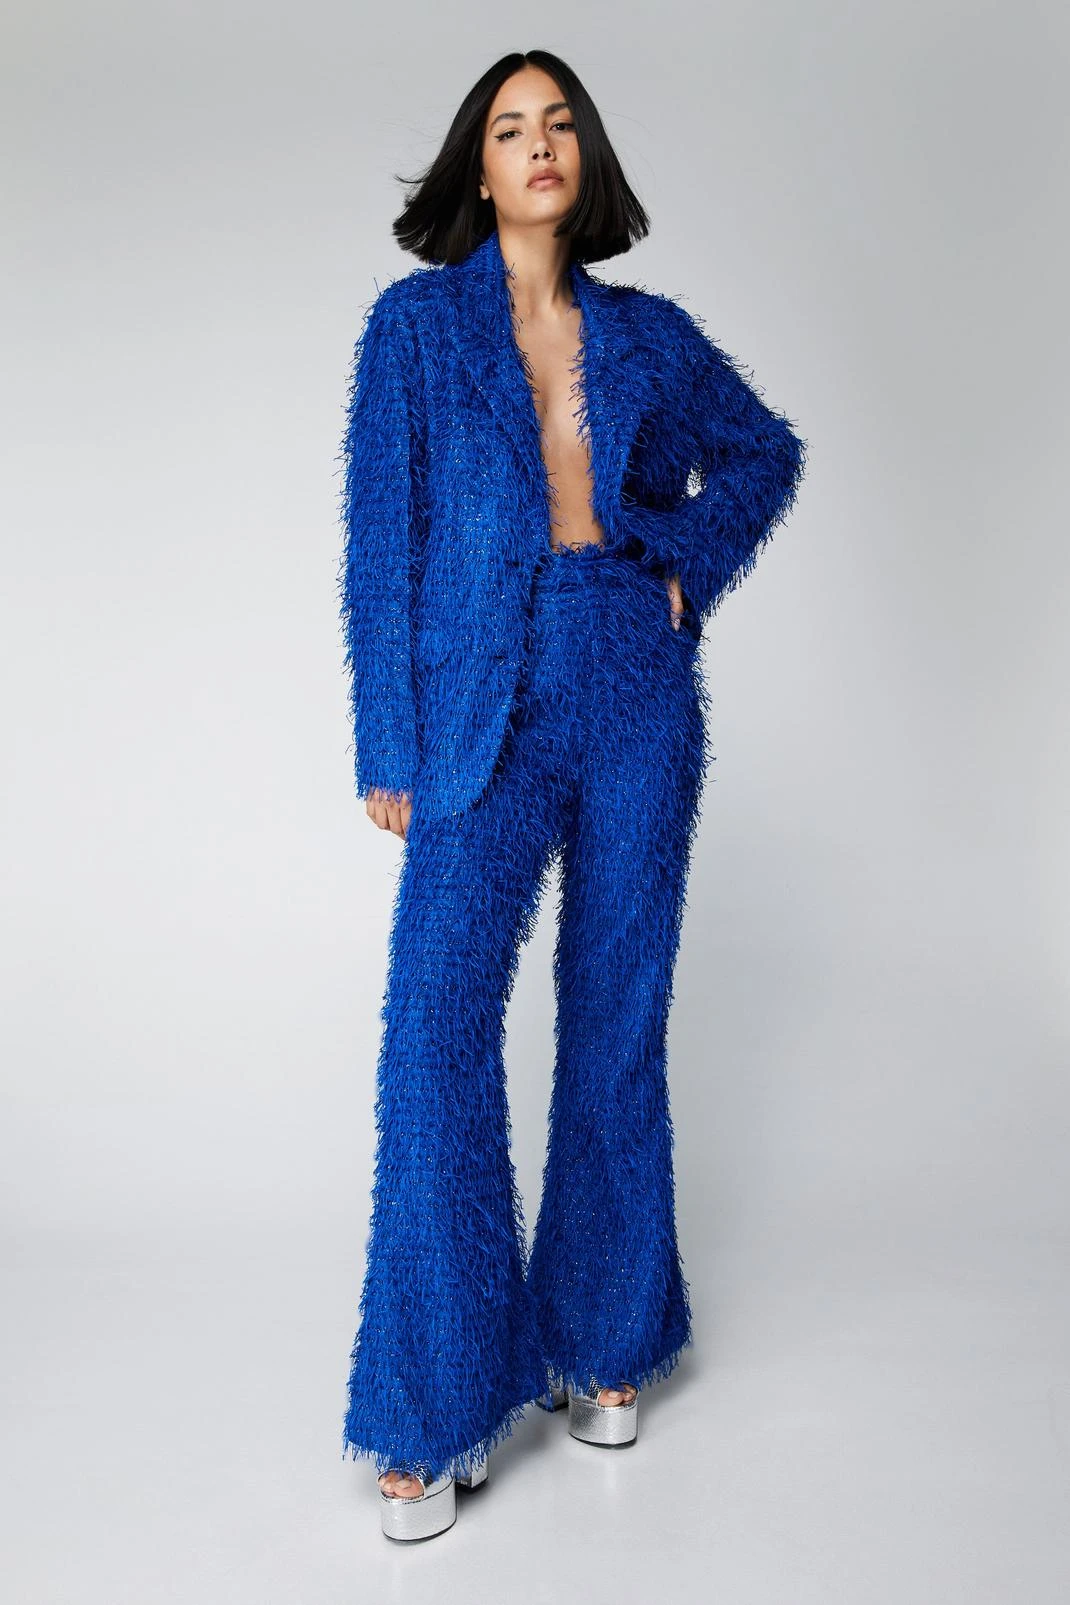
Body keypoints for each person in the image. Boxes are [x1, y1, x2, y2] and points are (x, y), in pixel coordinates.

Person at [337, 49, 807, 1542]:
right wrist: (389, 744)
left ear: (583, 159)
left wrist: (681, 570)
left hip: (630, 684)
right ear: (478, 170)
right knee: (434, 1033)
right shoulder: (415, 331)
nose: (536, 145)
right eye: (508, 128)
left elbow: (764, 454)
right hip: (480, 704)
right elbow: (381, 545)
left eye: (557, 125)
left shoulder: (650, 336)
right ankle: (435, 1398)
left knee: (616, 1013)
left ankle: (605, 1335)